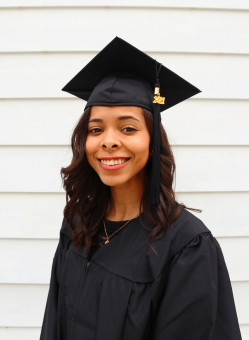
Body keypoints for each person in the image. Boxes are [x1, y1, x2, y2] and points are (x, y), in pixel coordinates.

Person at [39, 37, 242, 340]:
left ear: (153, 141)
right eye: (96, 129)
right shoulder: (77, 224)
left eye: (128, 128)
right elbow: (53, 327)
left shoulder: (186, 246)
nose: (108, 141)